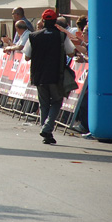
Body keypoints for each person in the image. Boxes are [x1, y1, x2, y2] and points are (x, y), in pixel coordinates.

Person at [23, 9, 75, 145]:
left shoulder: (33, 36)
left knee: (44, 103)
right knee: (57, 102)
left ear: (43, 20)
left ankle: (46, 132)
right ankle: (47, 128)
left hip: (39, 76)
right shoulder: (61, 36)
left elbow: (26, 56)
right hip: (56, 75)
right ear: (55, 21)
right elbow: (71, 53)